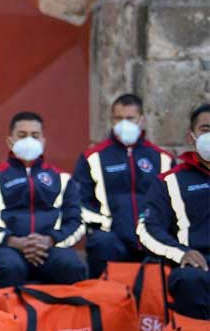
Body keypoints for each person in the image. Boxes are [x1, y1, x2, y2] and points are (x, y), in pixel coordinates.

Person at [0, 112, 87, 288]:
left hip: (52, 247)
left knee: (72, 267)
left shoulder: (62, 178)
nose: (29, 140)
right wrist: (12, 241)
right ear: (10, 141)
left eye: (34, 136)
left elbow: (77, 221)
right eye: (22, 135)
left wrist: (50, 240)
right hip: (7, 248)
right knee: (7, 267)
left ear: (43, 142)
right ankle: (8, 315)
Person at [73, 94, 173, 278]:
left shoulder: (162, 158)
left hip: (153, 236)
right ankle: (103, 302)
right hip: (112, 237)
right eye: (118, 118)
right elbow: (78, 203)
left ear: (141, 120)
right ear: (111, 120)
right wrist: (107, 223)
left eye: (130, 118)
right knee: (101, 242)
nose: (124, 123)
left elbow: (175, 202)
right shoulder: (92, 158)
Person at [137, 103, 210, 320]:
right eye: (206, 130)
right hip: (196, 263)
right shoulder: (170, 181)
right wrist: (180, 253)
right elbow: (146, 229)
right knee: (190, 281)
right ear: (191, 137)